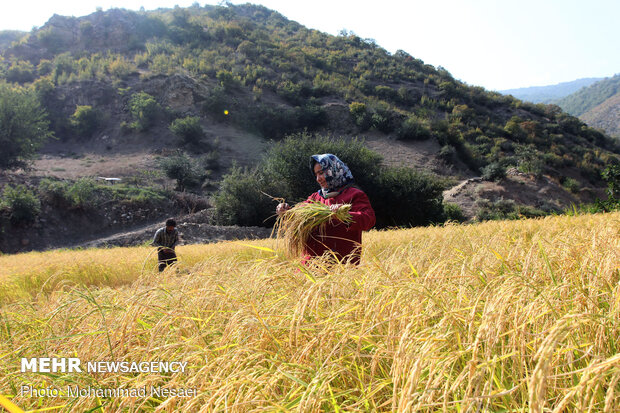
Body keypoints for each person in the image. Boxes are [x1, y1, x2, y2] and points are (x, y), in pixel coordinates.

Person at [277, 154, 376, 265]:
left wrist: (343, 214)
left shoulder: (354, 195)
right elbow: (298, 216)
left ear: (333, 170)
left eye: (321, 173)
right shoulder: (315, 198)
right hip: (310, 267)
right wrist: (287, 212)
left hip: (340, 266)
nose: (318, 179)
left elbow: (369, 219)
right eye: (316, 175)